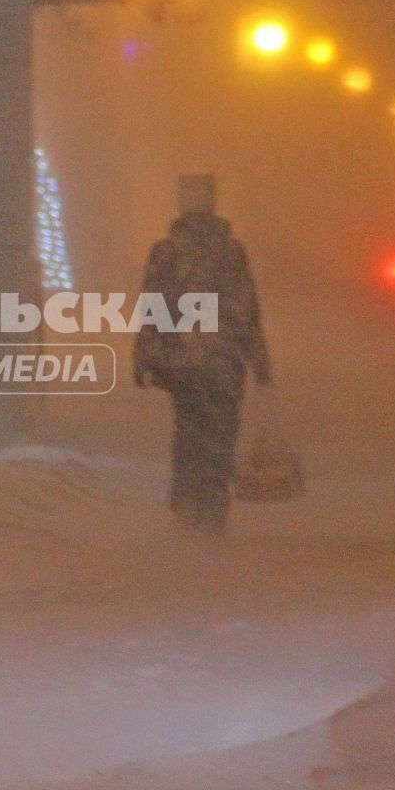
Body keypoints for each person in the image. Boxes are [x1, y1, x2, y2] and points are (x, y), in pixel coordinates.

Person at [134, 174, 271, 537]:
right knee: (221, 435)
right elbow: (246, 307)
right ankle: (212, 510)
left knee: (188, 432)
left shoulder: (167, 252)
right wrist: (259, 359)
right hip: (225, 361)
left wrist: (146, 355)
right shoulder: (231, 251)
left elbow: (154, 306)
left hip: (184, 360)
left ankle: (186, 508)